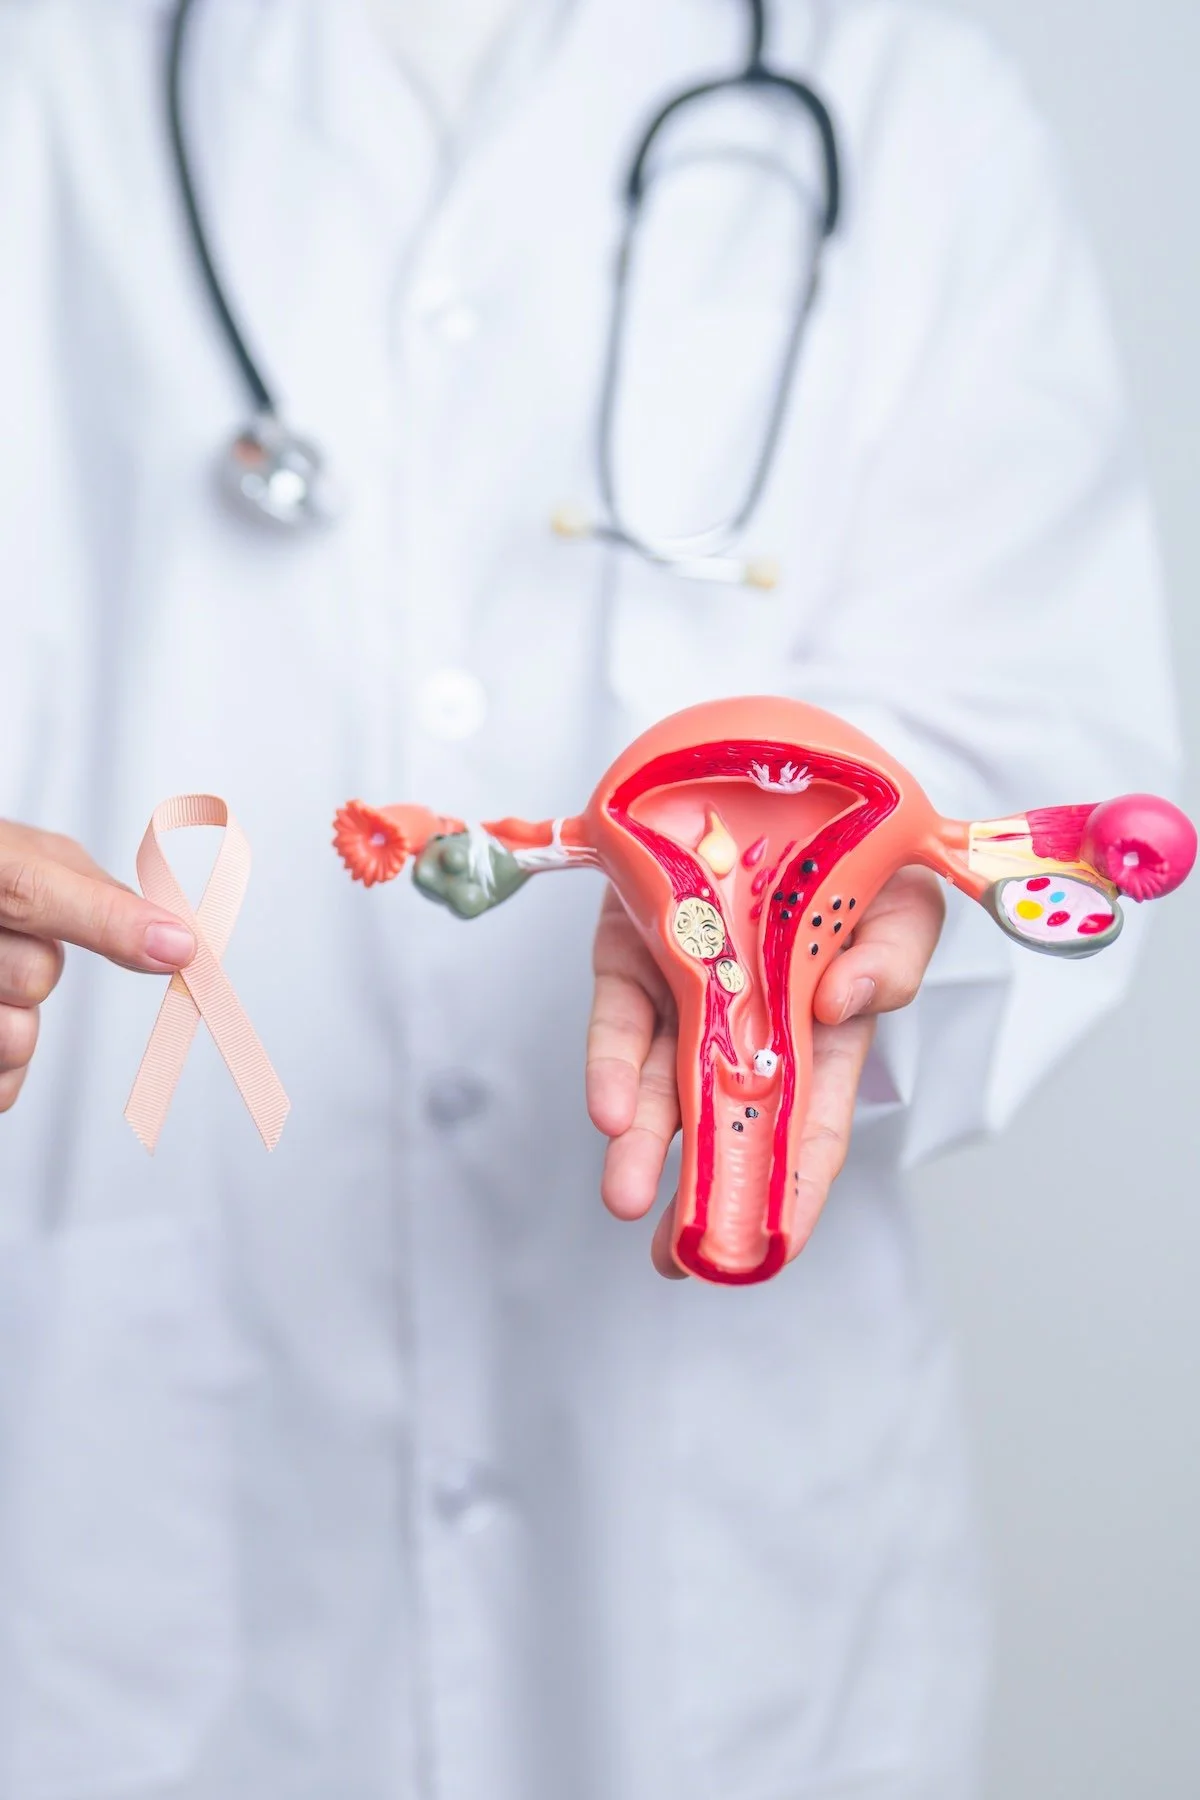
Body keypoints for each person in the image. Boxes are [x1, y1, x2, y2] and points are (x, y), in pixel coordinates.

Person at [0, 2, 1179, 1798]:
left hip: (738, 1588)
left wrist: (829, 856)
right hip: (142, 1511)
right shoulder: (44, 81)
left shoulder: (902, 88)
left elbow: (1046, 738)